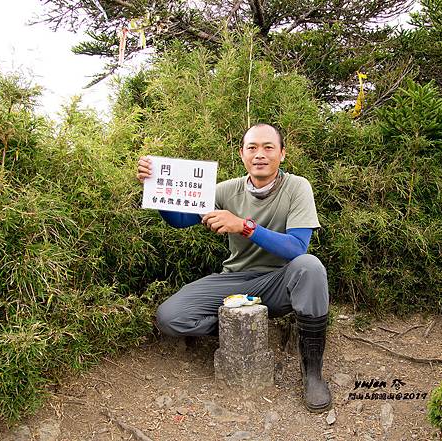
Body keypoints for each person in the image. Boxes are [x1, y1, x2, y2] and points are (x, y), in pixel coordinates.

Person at [136, 123, 332, 412]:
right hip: (236, 281)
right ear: (241, 154)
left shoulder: (297, 187)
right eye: (252, 148)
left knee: (310, 266)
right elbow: (180, 220)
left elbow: (296, 247)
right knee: (170, 316)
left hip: (281, 282)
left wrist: (244, 226)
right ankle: (244, 326)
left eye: (268, 147)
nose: (260, 154)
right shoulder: (226, 190)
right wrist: (156, 189)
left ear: (282, 153)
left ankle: (312, 373)